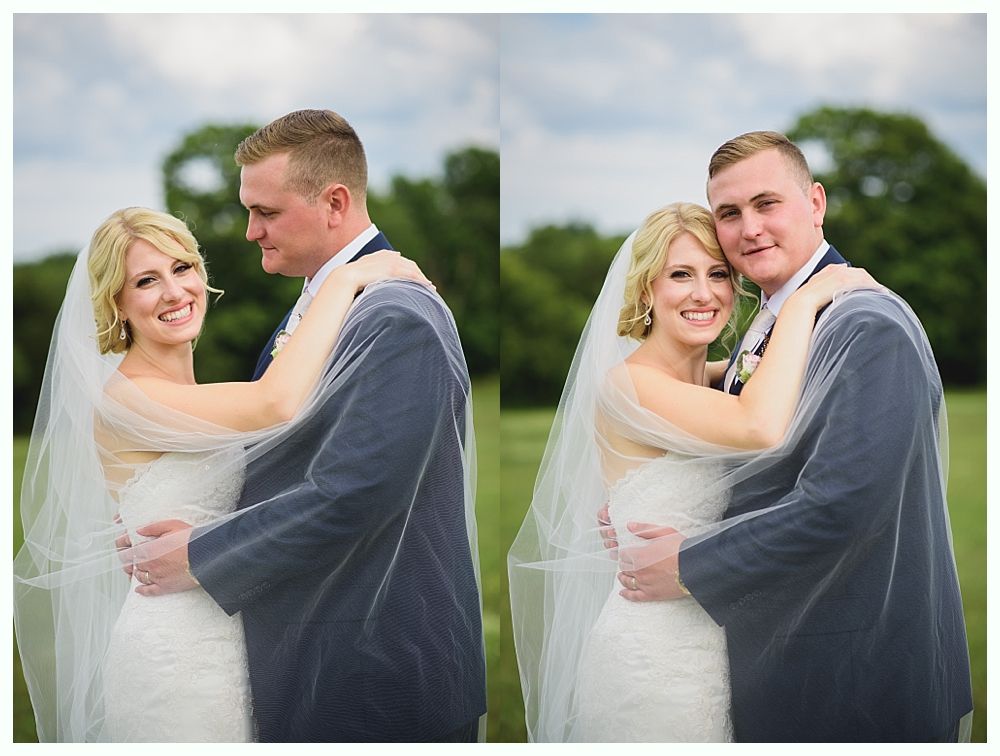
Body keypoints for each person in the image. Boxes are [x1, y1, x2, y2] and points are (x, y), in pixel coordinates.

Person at [16, 110, 485, 742]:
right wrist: (344, 282)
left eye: (264, 211)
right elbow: (276, 415)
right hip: (200, 645)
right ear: (115, 303)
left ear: (334, 202)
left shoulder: (392, 313)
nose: (248, 231)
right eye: (145, 281)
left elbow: (353, 493)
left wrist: (202, 549)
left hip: (377, 660)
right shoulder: (313, 311)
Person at [604, 132, 973, 741]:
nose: (749, 228)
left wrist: (691, 563)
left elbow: (842, 506)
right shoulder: (770, 322)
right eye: (730, 213)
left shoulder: (863, 324)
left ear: (817, 203)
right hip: (782, 654)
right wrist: (642, 497)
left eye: (767, 203)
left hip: (853, 672)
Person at [508, 200, 881, 741]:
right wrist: (806, 300)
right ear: (645, 291)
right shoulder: (629, 386)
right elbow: (759, 428)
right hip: (655, 653)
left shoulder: (711, 381)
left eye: (717, 274)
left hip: (718, 635)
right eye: (680, 274)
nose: (704, 293)